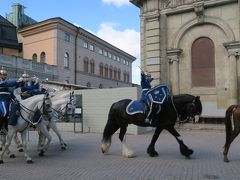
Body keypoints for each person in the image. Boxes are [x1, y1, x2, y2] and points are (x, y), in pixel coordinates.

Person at [0, 67, 21, 132]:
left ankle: (7, 126)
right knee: (4, 113)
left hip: (8, 101)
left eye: (5, 75)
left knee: (14, 112)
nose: (5, 76)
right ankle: (1, 128)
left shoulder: (6, 84)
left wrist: (15, 98)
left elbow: (9, 93)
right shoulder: (2, 83)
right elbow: (9, 84)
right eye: (3, 75)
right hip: (1, 100)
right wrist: (18, 81)